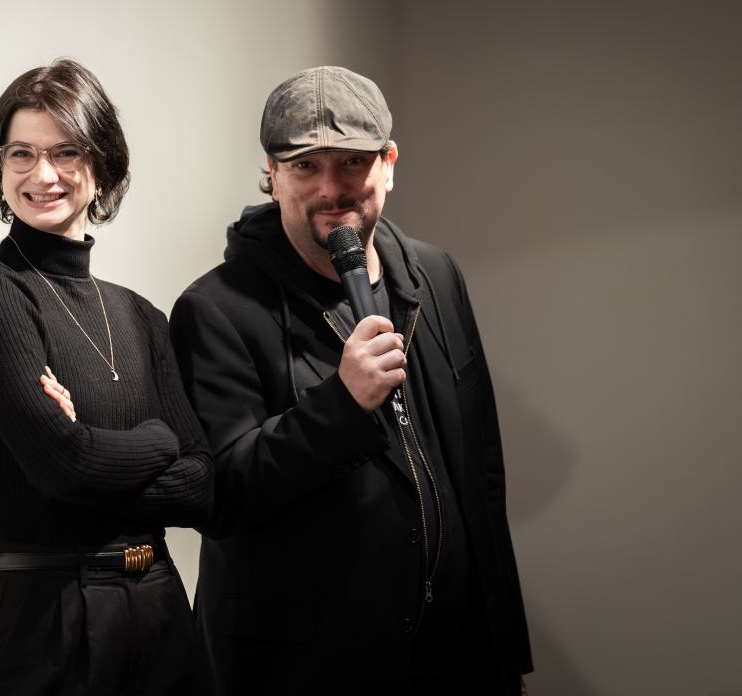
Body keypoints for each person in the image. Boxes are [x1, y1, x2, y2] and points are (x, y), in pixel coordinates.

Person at [169, 66, 532, 694]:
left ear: (388, 165)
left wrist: (502, 654)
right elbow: (220, 498)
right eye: (305, 166)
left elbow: (481, 472)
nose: (330, 188)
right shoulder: (216, 309)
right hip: (307, 672)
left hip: (449, 661)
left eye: (352, 163)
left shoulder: (436, 275)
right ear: (272, 173)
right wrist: (341, 405)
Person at [0, 59, 212, 695]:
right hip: (43, 617)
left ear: (102, 165)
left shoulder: (141, 315)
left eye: (66, 152)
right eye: (22, 153)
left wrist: (85, 454)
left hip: (160, 604)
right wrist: (160, 439)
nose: (43, 175)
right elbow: (66, 468)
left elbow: (201, 488)